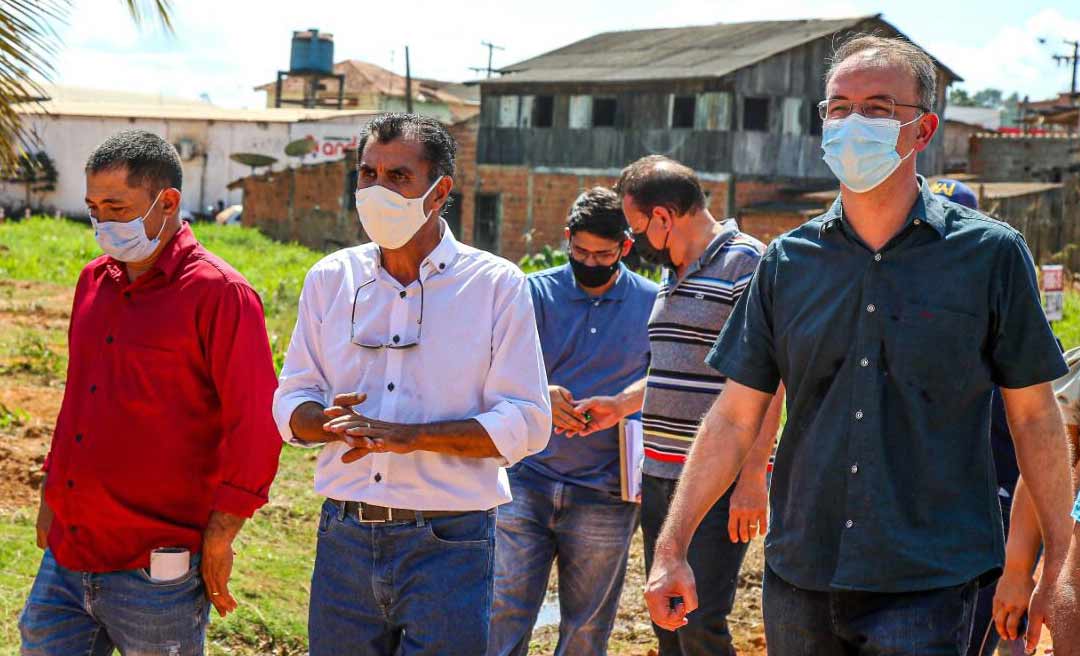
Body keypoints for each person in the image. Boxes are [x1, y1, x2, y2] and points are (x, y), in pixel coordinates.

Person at [644, 35, 1077, 655]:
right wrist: (671, 545)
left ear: (922, 130)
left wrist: (1056, 564)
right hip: (802, 573)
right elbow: (735, 417)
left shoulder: (989, 256)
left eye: (877, 108)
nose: (853, 123)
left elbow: (1034, 417)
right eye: (839, 108)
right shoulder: (788, 263)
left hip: (930, 580)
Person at [272, 113, 551, 656]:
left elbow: (527, 421)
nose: (377, 190)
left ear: (439, 191)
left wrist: (412, 437)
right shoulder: (330, 279)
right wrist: (323, 423)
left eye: (398, 177)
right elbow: (293, 397)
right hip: (344, 537)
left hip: (450, 542)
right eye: (367, 174)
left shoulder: (495, 285)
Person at [19, 129, 282, 655]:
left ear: (168, 202)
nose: (102, 223)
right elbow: (79, 400)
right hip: (69, 553)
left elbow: (256, 425)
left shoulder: (220, 294)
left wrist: (222, 533)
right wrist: (52, 491)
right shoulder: (93, 281)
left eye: (117, 208)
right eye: (93, 208)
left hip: (156, 570)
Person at [615, 155, 784, 655]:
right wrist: (617, 406)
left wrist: (753, 475)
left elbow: (770, 378)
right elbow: (675, 369)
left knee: (700, 620)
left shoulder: (746, 263)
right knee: (666, 615)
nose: (635, 242)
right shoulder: (673, 272)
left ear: (663, 217)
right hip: (660, 474)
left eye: (636, 228)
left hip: (716, 478)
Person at [488, 187, 658, 655]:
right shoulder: (531, 293)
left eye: (603, 255)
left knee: (587, 627)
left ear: (626, 246)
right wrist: (540, 393)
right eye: (581, 252)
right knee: (502, 610)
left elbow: (671, 376)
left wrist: (621, 404)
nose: (590, 262)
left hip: (606, 488)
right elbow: (487, 365)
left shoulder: (653, 303)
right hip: (526, 477)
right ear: (567, 238)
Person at [930, 179, 1027, 656]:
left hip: (991, 513)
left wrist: (1022, 562)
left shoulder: (1007, 311)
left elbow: (1038, 436)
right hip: (919, 514)